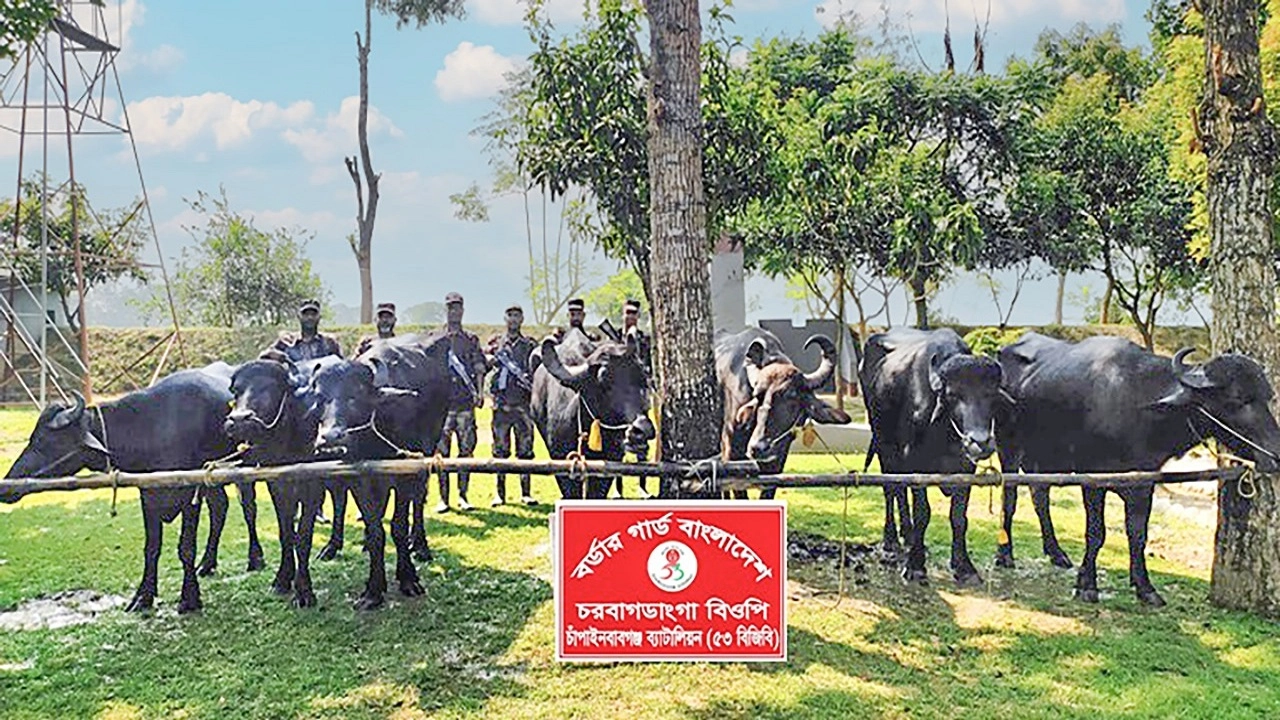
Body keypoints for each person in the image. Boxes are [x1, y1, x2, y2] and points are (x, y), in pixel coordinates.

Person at [435, 292, 486, 513]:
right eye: (450, 308)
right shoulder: (436, 339)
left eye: (457, 308)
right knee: (441, 455)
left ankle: (463, 496)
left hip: (465, 404)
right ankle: (443, 499)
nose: (454, 312)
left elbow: (479, 367)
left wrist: (480, 392)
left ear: (462, 311)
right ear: (445, 310)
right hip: (443, 406)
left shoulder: (471, 340)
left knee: (466, 452)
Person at [486, 303, 538, 507]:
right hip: (501, 405)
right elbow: (483, 361)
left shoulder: (529, 345)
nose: (513, 319)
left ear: (522, 319)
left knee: (525, 450)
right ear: (505, 318)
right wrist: (490, 359)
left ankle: (526, 493)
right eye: (510, 315)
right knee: (500, 451)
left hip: (523, 405)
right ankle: (500, 494)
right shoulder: (496, 343)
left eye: (517, 315)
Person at [614, 298, 654, 499]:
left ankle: (642, 487)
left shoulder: (644, 341)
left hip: (638, 395)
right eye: (627, 312)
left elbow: (650, 366)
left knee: (641, 443)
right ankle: (617, 489)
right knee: (617, 441)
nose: (630, 316)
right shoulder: (614, 338)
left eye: (633, 313)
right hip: (620, 397)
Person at [272, 298, 342, 362]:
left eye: (314, 314)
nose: (310, 317)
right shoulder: (288, 341)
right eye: (306, 314)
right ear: (299, 317)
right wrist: (280, 356)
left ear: (319, 317)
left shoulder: (329, 342)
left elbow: (340, 366)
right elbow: (267, 356)